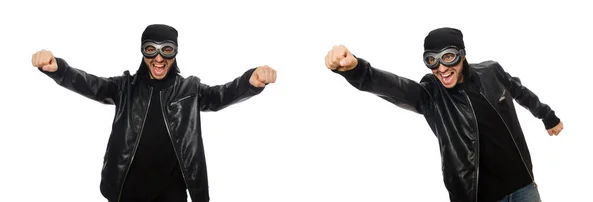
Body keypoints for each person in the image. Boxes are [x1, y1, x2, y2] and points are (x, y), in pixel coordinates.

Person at [30, 24, 277, 202]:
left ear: (175, 52)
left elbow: (220, 95)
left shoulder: (189, 89)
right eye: (151, 49)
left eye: (166, 50)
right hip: (127, 189)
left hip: (172, 193)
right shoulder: (124, 87)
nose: (158, 58)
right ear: (143, 51)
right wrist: (58, 69)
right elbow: (91, 84)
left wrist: (250, 81)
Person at [324, 27, 563, 202]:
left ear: (462, 54)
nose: (440, 67)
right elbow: (397, 87)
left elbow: (520, 92)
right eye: (432, 60)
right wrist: (357, 70)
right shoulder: (432, 95)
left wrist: (547, 116)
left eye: (447, 57)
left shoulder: (492, 71)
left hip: (524, 187)